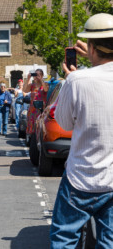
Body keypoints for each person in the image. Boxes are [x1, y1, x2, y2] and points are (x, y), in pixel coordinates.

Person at [50, 13, 113, 248]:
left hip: (80, 178)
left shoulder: (77, 80)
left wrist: (73, 76)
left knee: (65, 239)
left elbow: (64, 123)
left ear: (92, 46)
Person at [23, 69, 48, 136]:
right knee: (32, 130)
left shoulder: (45, 84)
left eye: (38, 75)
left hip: (40, 110)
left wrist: (41, 80)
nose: (36, 77)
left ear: (42, 76)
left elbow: (46, 90)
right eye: (35, 75)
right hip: (32, 110)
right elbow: (25, 90)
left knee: (39, 129)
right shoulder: (32, 85)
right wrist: (28, 79)